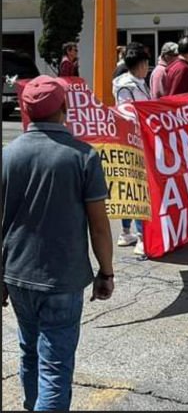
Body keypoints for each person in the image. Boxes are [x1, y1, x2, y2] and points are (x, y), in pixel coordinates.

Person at [2, 75, 115, 411]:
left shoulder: (8, 155)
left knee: (30, 350)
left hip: (17, 275)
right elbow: (98, 225)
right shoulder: (83, 156)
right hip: (62, 280)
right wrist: (106, 272)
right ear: (64, 108)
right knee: (55, 366)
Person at [111, 43, 151, 256]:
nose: (148, 67)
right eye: (147, 63)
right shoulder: (127, 87)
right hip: (132, 144)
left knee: (131, 189)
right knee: (137, 191)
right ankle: (141, 238)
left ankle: (126, 232)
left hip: (140, 142)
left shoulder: (140, 83)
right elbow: (128, 116)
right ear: (141, 64)